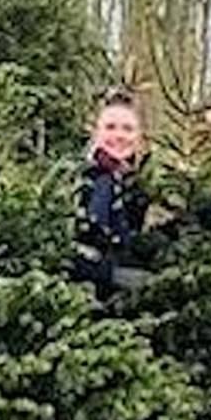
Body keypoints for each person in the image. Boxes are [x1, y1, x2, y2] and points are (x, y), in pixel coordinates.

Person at [73, 88, 157, 295]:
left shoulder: (134, 183)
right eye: (110, 127)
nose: (119, 136)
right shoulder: (81, 179)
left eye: (128, 129)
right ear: (96, 131)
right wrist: (113, 276)